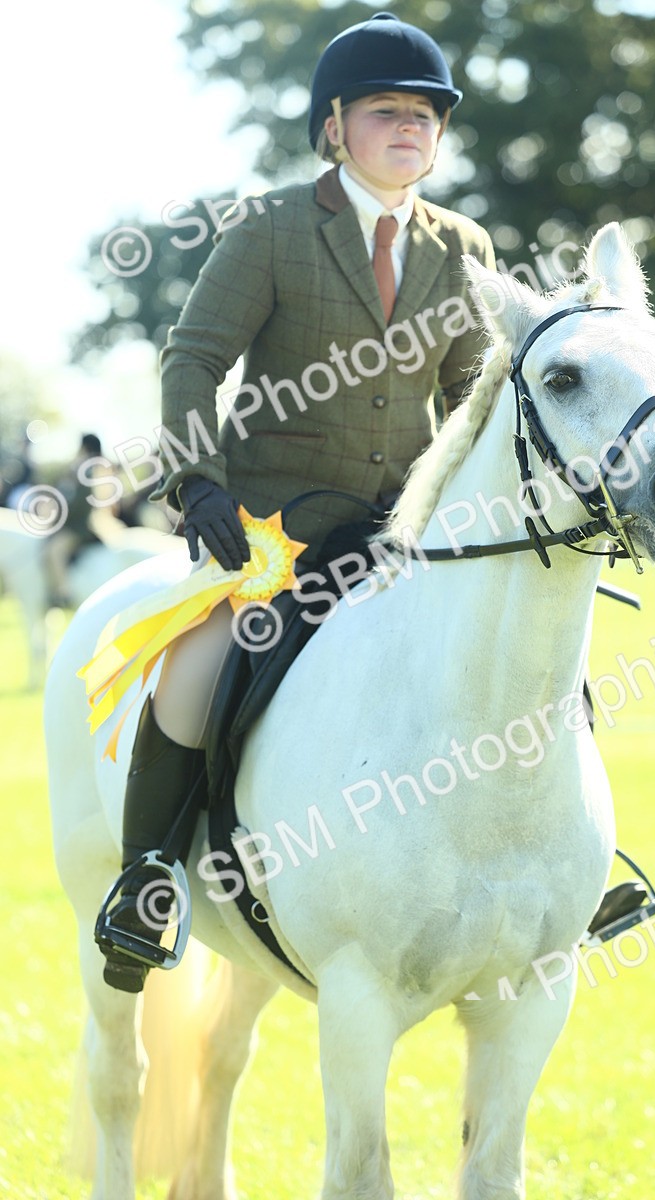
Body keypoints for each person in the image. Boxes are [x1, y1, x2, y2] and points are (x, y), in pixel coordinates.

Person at [96, 11, 497, 992]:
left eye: (424, 116)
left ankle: (563, 876)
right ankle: (147, 877)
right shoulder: (272, 228)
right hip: (271, 529)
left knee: (526, 654)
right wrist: (197, 483)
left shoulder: (463, 245)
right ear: (333, 127)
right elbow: (193, 357)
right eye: (386, 112)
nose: (411, 129)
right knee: (196, 667)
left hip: (401, 535)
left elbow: (472, 397)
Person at [43, 433, 103, 607]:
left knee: (54, 551)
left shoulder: (89, 471)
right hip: (67, 524)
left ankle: (64, 593)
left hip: (77, 527)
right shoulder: (76, 469)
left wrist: (60, 514)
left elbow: (80, 503)